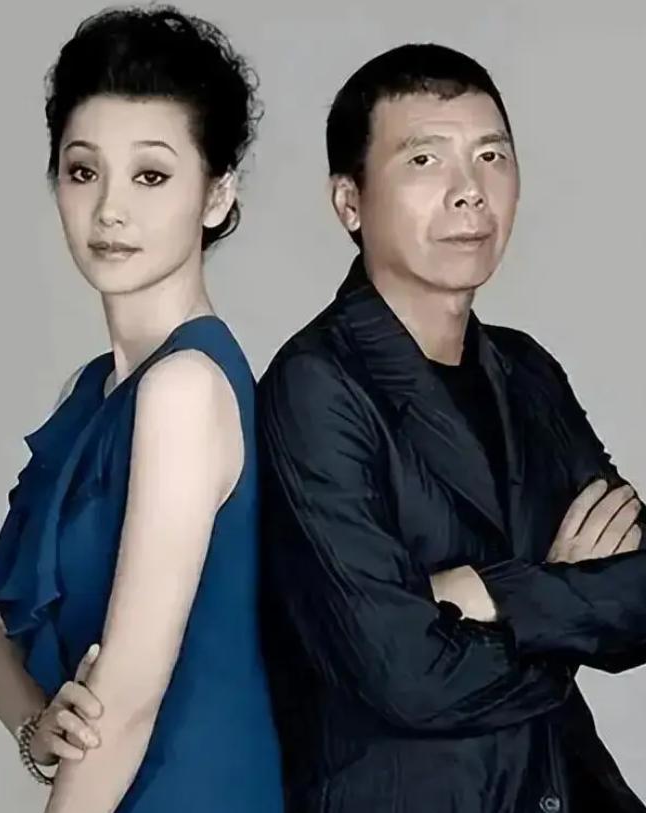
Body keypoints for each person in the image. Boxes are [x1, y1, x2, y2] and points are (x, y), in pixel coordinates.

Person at [258, 43, 646, 813]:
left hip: (564, 785)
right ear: (350, 202)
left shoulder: (527, 370)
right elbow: (405, 674)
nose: (470, 190)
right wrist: (562, 597)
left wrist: (482, 593)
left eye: (491, 156)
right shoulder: (314, 386)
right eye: (424, 159)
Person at [0, 7, 283, 812]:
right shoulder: (89, 393)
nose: (110, 208)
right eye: (84, 171)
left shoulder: (186, 389)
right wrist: (35, 727)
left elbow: (129, 701)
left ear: (216, 195)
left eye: (151, 175)